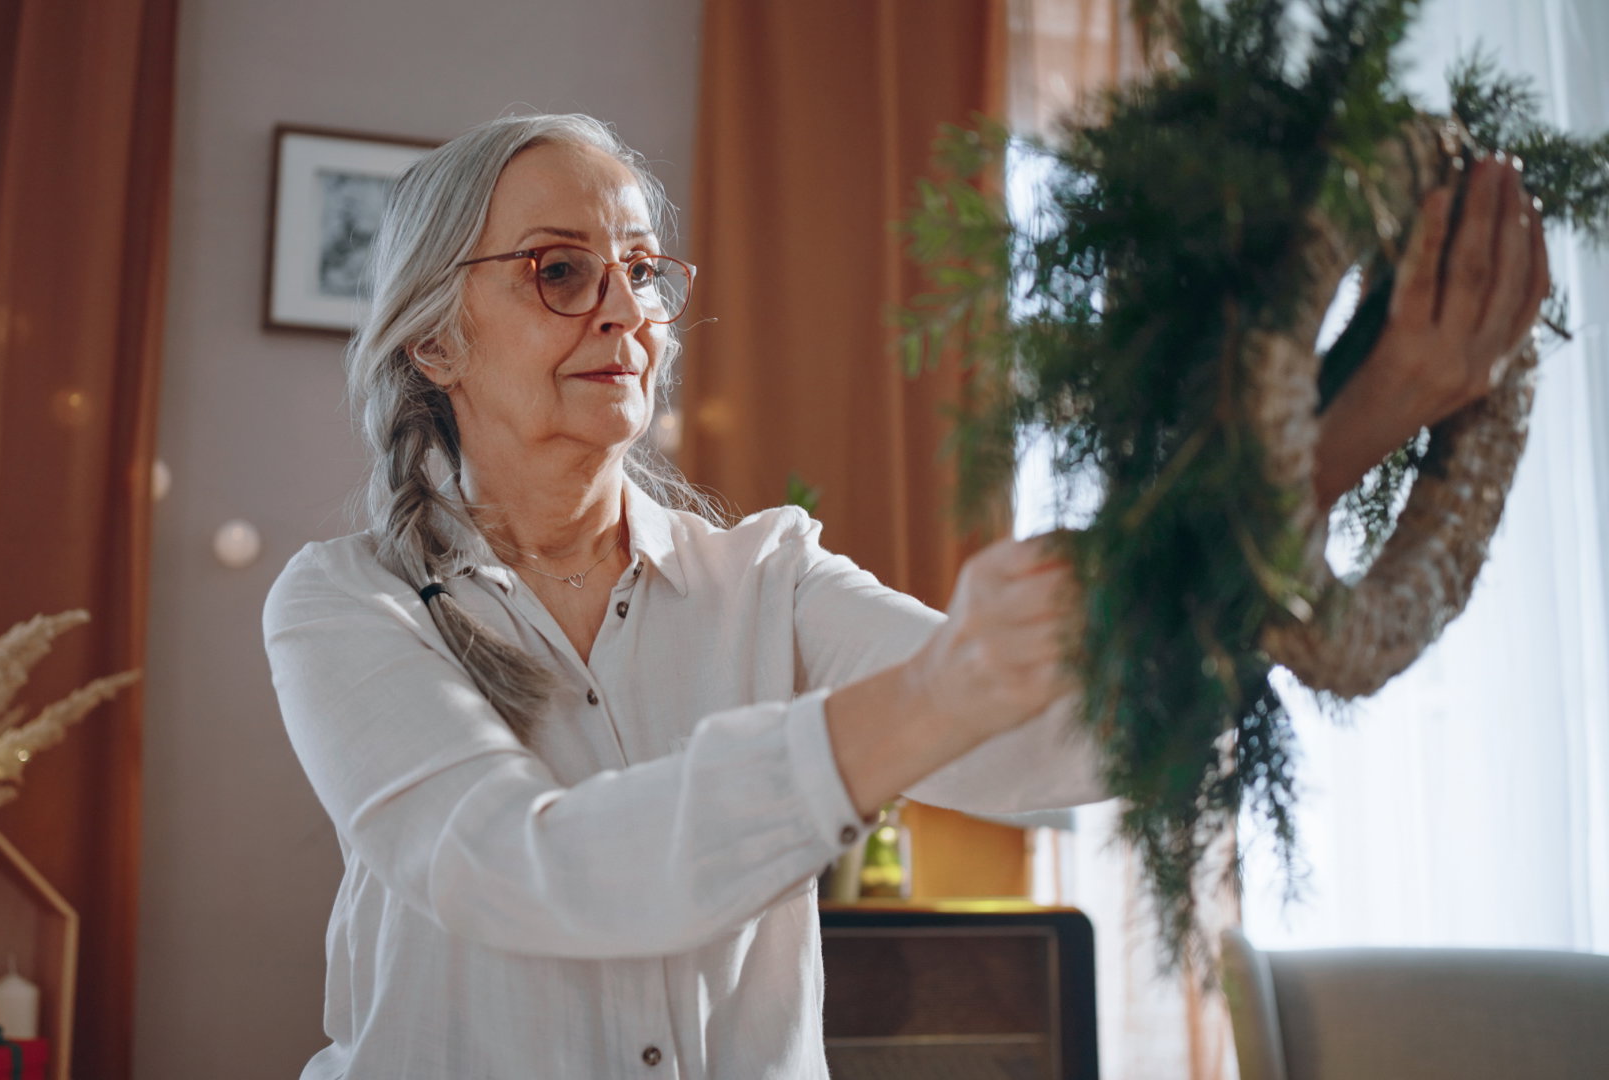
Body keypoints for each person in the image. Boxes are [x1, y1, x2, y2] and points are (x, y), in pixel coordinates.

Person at [263, 113, 1547, 1079]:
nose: (625, 314)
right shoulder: (345, 606)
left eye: (643, 272)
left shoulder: (768, 577)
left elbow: (1061, 747)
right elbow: (520, 869)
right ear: (436, 342)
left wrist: (1341, 433)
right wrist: (935, 691)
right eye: (559, 272)